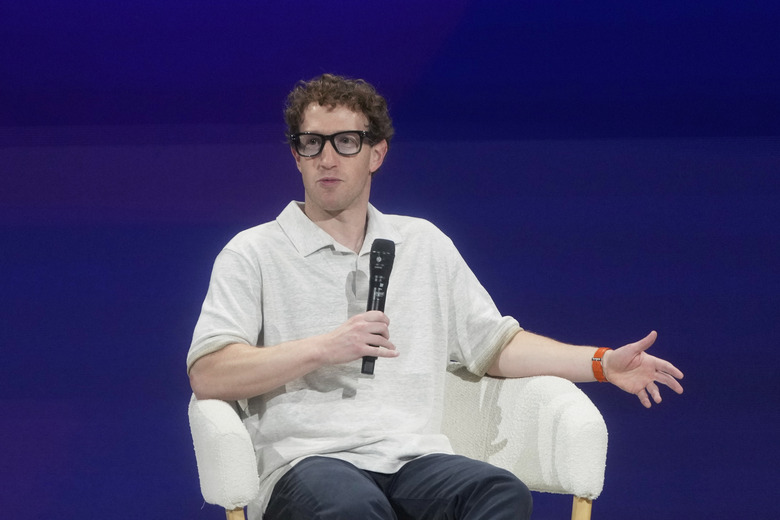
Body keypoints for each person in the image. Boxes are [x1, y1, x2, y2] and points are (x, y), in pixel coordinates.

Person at [187, 73, 684, 520]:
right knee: (351, 507)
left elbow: (495, 346)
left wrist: (601, 362)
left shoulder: (422, 243)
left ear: (376, 153)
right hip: (307, 464)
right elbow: (208, 373)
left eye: (345, 142)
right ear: (296, 155)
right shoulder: (253, 252)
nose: (328, 158)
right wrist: (322, 348)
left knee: (498, 492)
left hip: (412, 460)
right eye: (312, 144)